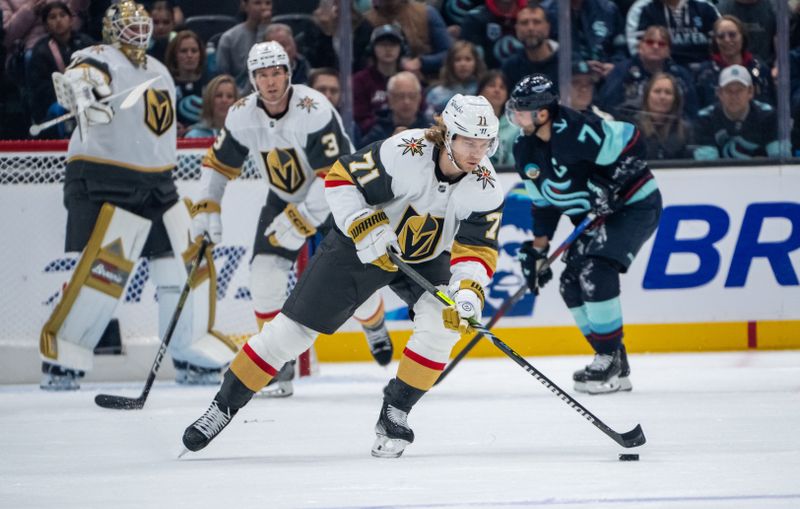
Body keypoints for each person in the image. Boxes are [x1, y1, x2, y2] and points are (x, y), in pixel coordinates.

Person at [181, 93, 505, 458]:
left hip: (426, 257)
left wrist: (468, 292)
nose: (477, 153)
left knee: (443, 324)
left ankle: (396, 411)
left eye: (484, 143)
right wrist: (365, 225)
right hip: (360, 247)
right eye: (468, 142)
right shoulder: (405, 152)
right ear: (447, 135)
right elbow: (339, 178)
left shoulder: (487, 185)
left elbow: (477, 249)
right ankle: (222, 407)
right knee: (292, 334)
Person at [38, 0, 235, 390]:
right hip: (103, 178)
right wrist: (80, 91)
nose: (137, 30)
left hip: (159, 184)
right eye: (128, 23)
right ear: (110, 28)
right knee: (103, 273)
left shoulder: (159, 69)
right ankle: (64, 357)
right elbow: (79, 76)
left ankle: (190, 350)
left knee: (186, 265)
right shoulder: (97, 55)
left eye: (141, 23)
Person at [190, 41, 395, 396]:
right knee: (264, 274)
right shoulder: (241, 114)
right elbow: (219, 166)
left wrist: (300, 218)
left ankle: (374, 323)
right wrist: (207, 205)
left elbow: (333, 175)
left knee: (350, 286)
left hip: (339, 200)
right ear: (252, 78)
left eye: (276, 73)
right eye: (262, 75)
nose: (270, 82)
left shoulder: (314, 109)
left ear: (288, 73)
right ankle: (277, 366)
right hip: (283, 198)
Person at [507, 74, 662, 394]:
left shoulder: (579, 130)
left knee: (595, 268)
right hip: (596, 217)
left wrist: (616, 179)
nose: (515, 117)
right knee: (569, 283)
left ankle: (607, 358)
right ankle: (614, 362)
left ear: (543, 113)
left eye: (522, 110)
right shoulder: (524, 148)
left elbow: (634, 139)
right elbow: (544, 204)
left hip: (634, 206)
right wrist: (538, 250)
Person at [597, 25, 697, 121]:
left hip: (673, 132)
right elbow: (607, 105)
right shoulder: (622, 71)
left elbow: (691, 113)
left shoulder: (680, 75)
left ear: (669, 50)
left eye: (661, 44)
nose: (655, 47)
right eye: (650, 42)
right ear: (640, 46)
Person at [26, 1, 94, 136]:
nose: (58, 20)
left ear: (70, 19)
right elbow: (39, 89)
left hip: (86, 96)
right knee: (61, 111)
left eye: (62, 15)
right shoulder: (40, 50)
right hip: (55, 102)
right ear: (46, 25)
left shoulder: (86, 42)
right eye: (52, 17)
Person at [693, 64, 779, 160]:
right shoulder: (705, 118)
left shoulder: (768, 115)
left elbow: (778, 159)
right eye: (728, 90)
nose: (734, 96)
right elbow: (707, 164)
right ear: (719, 93)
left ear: (750, 92)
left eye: (739, 90)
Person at [694, 15, 773, 109]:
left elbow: (769, 105)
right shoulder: (704, 72)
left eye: (732, 35)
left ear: (742, 36)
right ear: (715, 41)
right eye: (721, 36)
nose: (727, 40)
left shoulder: (759, 68)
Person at [626, 0, 720, 71]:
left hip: (706, 71)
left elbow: (723, 44)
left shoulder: (706, 7)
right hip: (661, 72)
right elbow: (638, 51)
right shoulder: (642, 8)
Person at [352, 24, 404, 133]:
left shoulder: (409, 80)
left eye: (393, 44)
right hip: (373, 136)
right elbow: (359, 118)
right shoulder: (360, 80)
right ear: (372, 48)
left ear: (401, 48)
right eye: (382, 44)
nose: (388, 49)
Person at [215, 0, 272, 93]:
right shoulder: (229, 38)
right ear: (244, 6)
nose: (264, 7)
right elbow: (222, 75)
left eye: (268, 3)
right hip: (237, 97)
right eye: (257, 3)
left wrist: (263, 30)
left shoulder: (279, 36)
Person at [360, 71, 428, 147]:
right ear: (390, 99)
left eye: (412, 96)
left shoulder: (430, 130)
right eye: (400, 96)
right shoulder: (377, 133)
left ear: (419, 98)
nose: (406, 101)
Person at [501, 3, 560, 91]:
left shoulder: (566, 63)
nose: (530, 28)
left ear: (548, 27)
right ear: (516, 29)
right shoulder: (510, 67)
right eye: (524, 23)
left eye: (537, 22)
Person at [636, 72, 692, 159]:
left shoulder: (685, 130)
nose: (662, 97)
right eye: (657, 91)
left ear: (675, 99)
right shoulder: (633, 128)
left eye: (668, 92)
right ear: (647, 96)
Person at [424, 40, 486, 119]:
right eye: (458, 59)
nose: (463, 64)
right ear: (450, 64)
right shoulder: (435, 94)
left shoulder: (483, 90)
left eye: (468, 59)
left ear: (476, 63)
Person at [164, 30, 209, 135]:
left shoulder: (211, 84)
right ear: (175, 55)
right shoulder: (165, 84)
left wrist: (196, 129)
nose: (189, 55)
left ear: (200, 54)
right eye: (184, 51)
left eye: (194, 51)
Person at [460, 0, 526, 70]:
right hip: (486, 77)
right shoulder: (475, 18)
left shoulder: (533, 16)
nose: (531, 26)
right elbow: (472, 62)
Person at [477, 70, 516, 167]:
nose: (497, 90)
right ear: (480, 91)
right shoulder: (467, 121)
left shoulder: (515, 127)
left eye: (502, 87)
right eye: (491, 85)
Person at [184, 74, 238, 138]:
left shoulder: (244, 134)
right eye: (219, 95)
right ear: (209, 100)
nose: (224, 100)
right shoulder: (193, 136)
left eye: (229, 96)